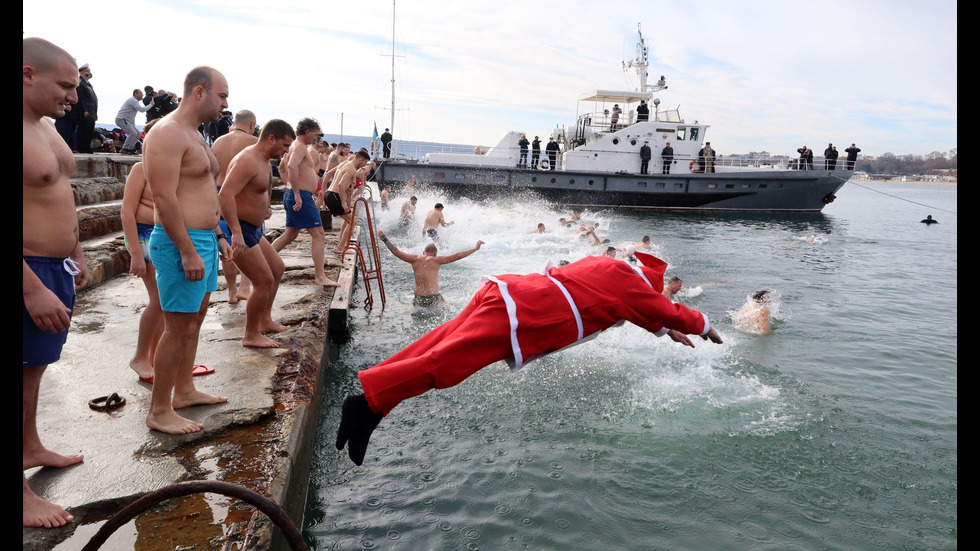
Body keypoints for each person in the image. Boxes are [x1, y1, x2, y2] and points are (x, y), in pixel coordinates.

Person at [335, 251, 724, 465]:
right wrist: (702, 325)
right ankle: (366, 405)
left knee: (439, 341)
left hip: (504, 291)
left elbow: (627, 309)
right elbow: (666, 311)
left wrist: (659, 329)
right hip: (522, 317)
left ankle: (374, 398)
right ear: (651, 287)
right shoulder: (632, 288)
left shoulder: (606, 265)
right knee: (446, 366)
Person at [23, 36, 91, 529]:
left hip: (55, 267)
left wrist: (75, 250)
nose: (74, 96)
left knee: (32, 372)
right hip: (28, 273)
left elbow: (58, 193)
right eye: (65, 86)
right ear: (27, 74)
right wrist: (30, 288)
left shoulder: (43, 127)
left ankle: (29, 445)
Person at [142, 65, 232, 435]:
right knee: (177, 327)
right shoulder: (166, 133)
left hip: (205, 239)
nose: (225, 103)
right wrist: (186, 250)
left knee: (193, 323)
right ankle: (159, 409)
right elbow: (163, 196)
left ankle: (185, 390)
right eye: (222, 95)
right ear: (199, 92)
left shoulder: (196, 135)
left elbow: (202, 192)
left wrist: (218, 236)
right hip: (182, 242)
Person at [219, 119, 296, 348]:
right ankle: (250, 334)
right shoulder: (248, 159)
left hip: (251, 228)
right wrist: (235, 233)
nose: (286, 151)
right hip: (238, 227)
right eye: (284, 145)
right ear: (271, 138)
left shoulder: (263, 159)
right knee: (263, 280)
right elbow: (225, 195)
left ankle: (264, 320)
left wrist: (265, 207)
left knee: (277, 268)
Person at [121, 121, 166, 382]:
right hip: (142, 235)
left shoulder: (170, 169)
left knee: (164, 302)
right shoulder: (140, 169)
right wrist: (135, 252)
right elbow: (126, 211)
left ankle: (153, 356)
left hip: (162, 236)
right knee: (158, 300)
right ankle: (139, 357)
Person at [270, 117, 339, 287]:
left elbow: (281, 169)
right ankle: (320, 276)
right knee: (319, 234)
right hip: (299, 196)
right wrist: (297, 192)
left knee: (290, 234)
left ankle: (263, 261)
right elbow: (292, 166)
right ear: (307, 132)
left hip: (294, 194)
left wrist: (293, 187)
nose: (316, 139)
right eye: (315, 135)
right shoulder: (300, 146)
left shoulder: (293, 146)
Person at [211, 109, 258, 303]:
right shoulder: (253, 143)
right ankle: (244, 288)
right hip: (242, 196)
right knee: (249, 242)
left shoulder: (218, 142)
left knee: (227, 250)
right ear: (252, 125)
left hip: (217, 195)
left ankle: (231, 293)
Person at [377, 230, 484, 314]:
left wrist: (384, 239)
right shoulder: (436, 260)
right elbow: (457, 255)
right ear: (434, 253)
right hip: (433, 298)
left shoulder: (414, 259)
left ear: (423, 252)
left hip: (418, 300)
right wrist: (475, 249)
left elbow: (396, 252)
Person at [323, 149, 372, 254]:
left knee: (348, 220)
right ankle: (340, 248)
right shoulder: (352, 169)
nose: (364, 165)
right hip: (335, 196)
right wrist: (343, 203)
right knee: (353, 222)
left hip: (329, 194)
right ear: (360, 159)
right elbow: (341, 185)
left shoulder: (346, 164)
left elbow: (330, 175)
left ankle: (341, 244)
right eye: (365, 163)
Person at [114, 88, 154, 154]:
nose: (142, 95)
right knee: (133, 133)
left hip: (127, 120)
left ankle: (130, 148)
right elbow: (141, 109)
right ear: (136, 94)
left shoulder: (134, 101)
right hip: (122, 119)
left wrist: (133, 125)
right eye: (141, 93)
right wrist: (151, 105)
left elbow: (132, 116)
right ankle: (125, 148)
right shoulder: (133, 100)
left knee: (138, 134)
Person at [74, 63, 98, 153]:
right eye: (87, 72)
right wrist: (84, 110)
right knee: (83, 131)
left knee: (89, 131)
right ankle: (82, 148)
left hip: (92, 112)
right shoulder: (81, 83)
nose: (89, 73)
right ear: (82, 73)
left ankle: (87, 147)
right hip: (86, 111)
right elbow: (80, 98)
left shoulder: (88, 84)